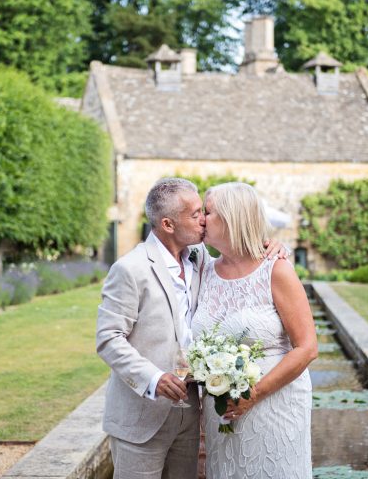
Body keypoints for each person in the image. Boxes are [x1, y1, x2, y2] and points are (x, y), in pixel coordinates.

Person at [96, 177, 285, 479]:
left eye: (204, 212)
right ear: (168, 225)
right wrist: (154, 378)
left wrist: (272, 244)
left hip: (188, 413)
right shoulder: (130, 269)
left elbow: (238, 259)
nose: (204, 221)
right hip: (140, 417)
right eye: (196, 214)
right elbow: (107, 338)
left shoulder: (200, 259)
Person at [191, 182, 318, 479]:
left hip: (274, 405)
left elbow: (307, 347)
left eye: (207, 212)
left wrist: (254, 394)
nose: (200, 219)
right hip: (221, 410)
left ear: (232, 218)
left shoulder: (276, 269)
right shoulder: (203, 270)